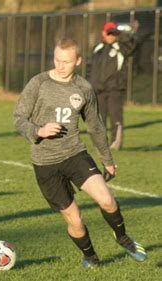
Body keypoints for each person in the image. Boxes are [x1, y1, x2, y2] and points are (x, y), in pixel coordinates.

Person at [13, 38, 146, 268]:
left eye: (66, 61)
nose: (60, 65)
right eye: (57, 60)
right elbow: (18, 118)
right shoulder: (39, 83)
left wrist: (108, 160)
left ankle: (123, 237)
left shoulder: (84, 88)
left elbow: (95, 126)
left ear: (78, 61)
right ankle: (91, 257)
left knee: (107, 200)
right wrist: (39, 131)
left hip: (75, 153)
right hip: (45, 164)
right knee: (75, 219)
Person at [87, 21, 137, 151]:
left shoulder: (121, 47)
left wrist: (126, 33)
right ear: (103, 33)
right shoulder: (97, 48)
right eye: (109, 33)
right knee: (100, 119)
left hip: (115, 89)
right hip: (99, 90)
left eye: (113, 33)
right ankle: (101, 144)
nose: (111, 36)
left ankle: (116, 143)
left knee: (115, 117)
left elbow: (132, 44)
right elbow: (90, 68)